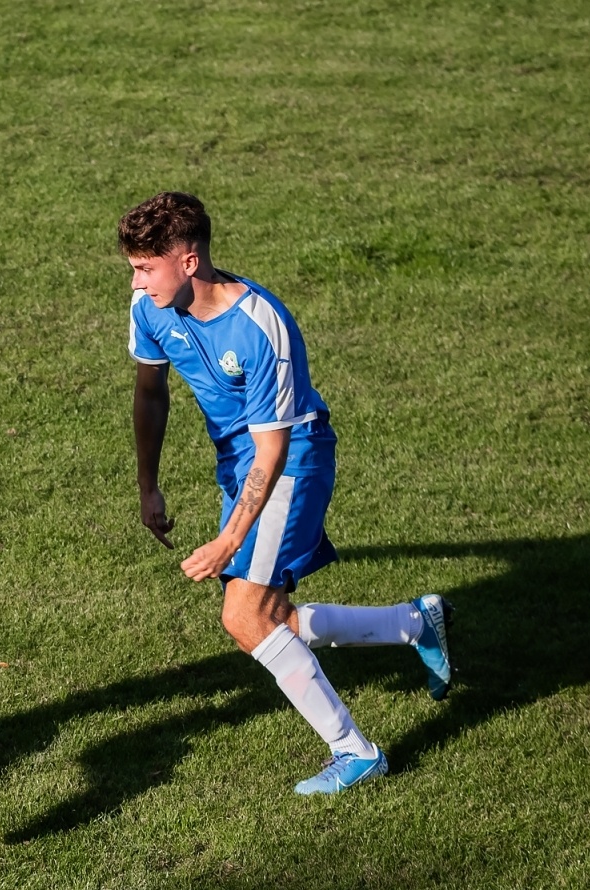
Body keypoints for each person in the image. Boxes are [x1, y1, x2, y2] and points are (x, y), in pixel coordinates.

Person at [121, 191, 453, 795]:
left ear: (189, 261)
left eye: (146, 267)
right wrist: (148, 485)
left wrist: (228, 539)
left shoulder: (260, 328)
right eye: (134, 269)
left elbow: (272, 451)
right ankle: (415, 624)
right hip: (238, 462)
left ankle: (356, 753)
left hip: (292, 459)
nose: (138, 283)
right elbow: (150, 393)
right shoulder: (151, 305)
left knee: (245, 615)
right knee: (271, 621)